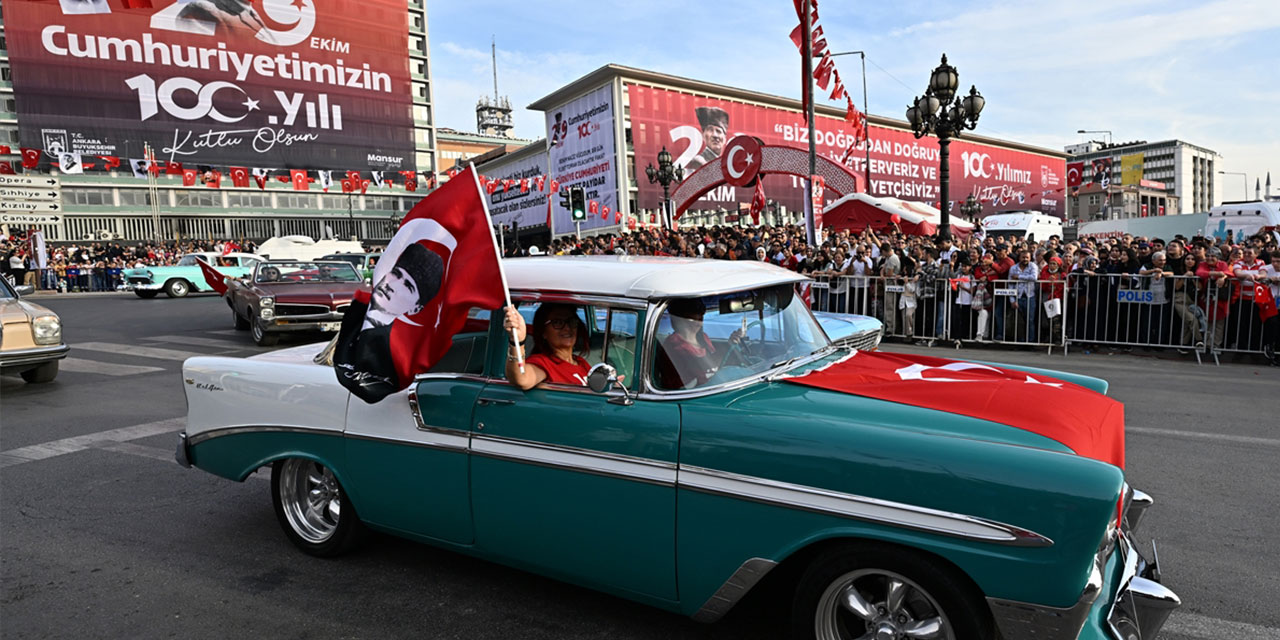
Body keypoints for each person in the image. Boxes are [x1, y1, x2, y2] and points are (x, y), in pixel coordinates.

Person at [655, 298, 743, 390]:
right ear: (681, 319)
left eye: (701, 317)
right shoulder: (674, 344)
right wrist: (727, 346)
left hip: (711, 386)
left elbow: (715, 366)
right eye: (695, 319)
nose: (700, 321)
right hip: (689, 393)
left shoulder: (702, 337)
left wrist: (731, 344)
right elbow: (704, 366)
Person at [503, 303, 592, 389]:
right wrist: (517, 342)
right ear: (543, 332)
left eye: (571, 322)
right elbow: (521, 379)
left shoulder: (581, 362)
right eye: (557, 323)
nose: (567, 328)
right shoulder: (543, 363)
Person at [364, 243, 444, 329]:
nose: (391, 285)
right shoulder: (356, 310)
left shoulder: (394, 339)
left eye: (408, 286)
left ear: (416, 309)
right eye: (395, 273)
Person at [683, 106, 730, 173]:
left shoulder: (725, 164)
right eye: (710, 130)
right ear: (703, 136)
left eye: (718, 131)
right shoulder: (699, 161)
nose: (715, 135)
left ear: (725, 139)